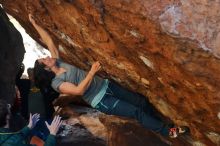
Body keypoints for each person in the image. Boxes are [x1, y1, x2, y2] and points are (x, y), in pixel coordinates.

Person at [29, 14, 188, 138]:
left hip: (107, 86)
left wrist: (34, 24)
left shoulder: (58, 62)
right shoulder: (57, 82)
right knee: (135, 111)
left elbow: (49, 41)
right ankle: (168, 131)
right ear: (47, 69)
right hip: (101, 100)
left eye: (45, 57)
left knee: (141, 101)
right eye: (45, 60)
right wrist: (91, 72)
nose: (47, 57)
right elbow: (78, 91)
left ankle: (160, 125)